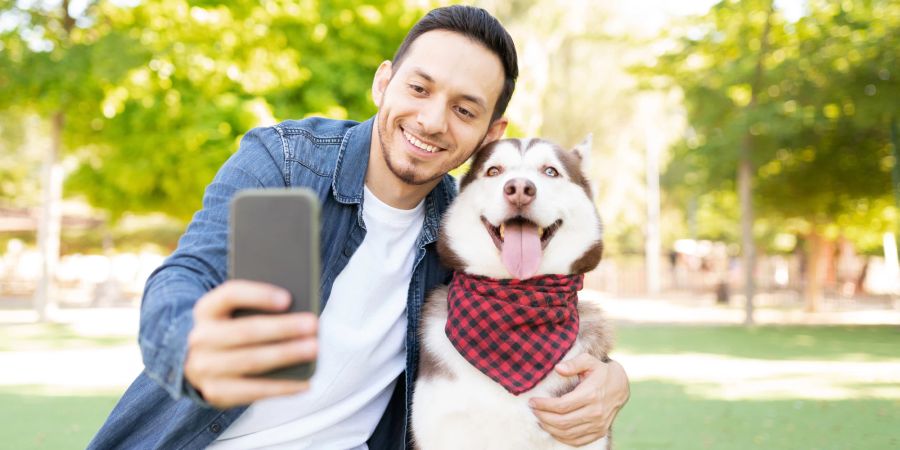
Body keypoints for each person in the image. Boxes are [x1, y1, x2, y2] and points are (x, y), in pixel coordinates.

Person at [88, 5, 629, 449]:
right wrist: (193, 346)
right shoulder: (291, 168)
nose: (433, 120)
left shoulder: (463, 229)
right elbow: (188, 275)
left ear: (491, 134)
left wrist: (614, 379)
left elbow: (542, 311)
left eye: (465, 111)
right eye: (419, 89)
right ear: (383, 82)